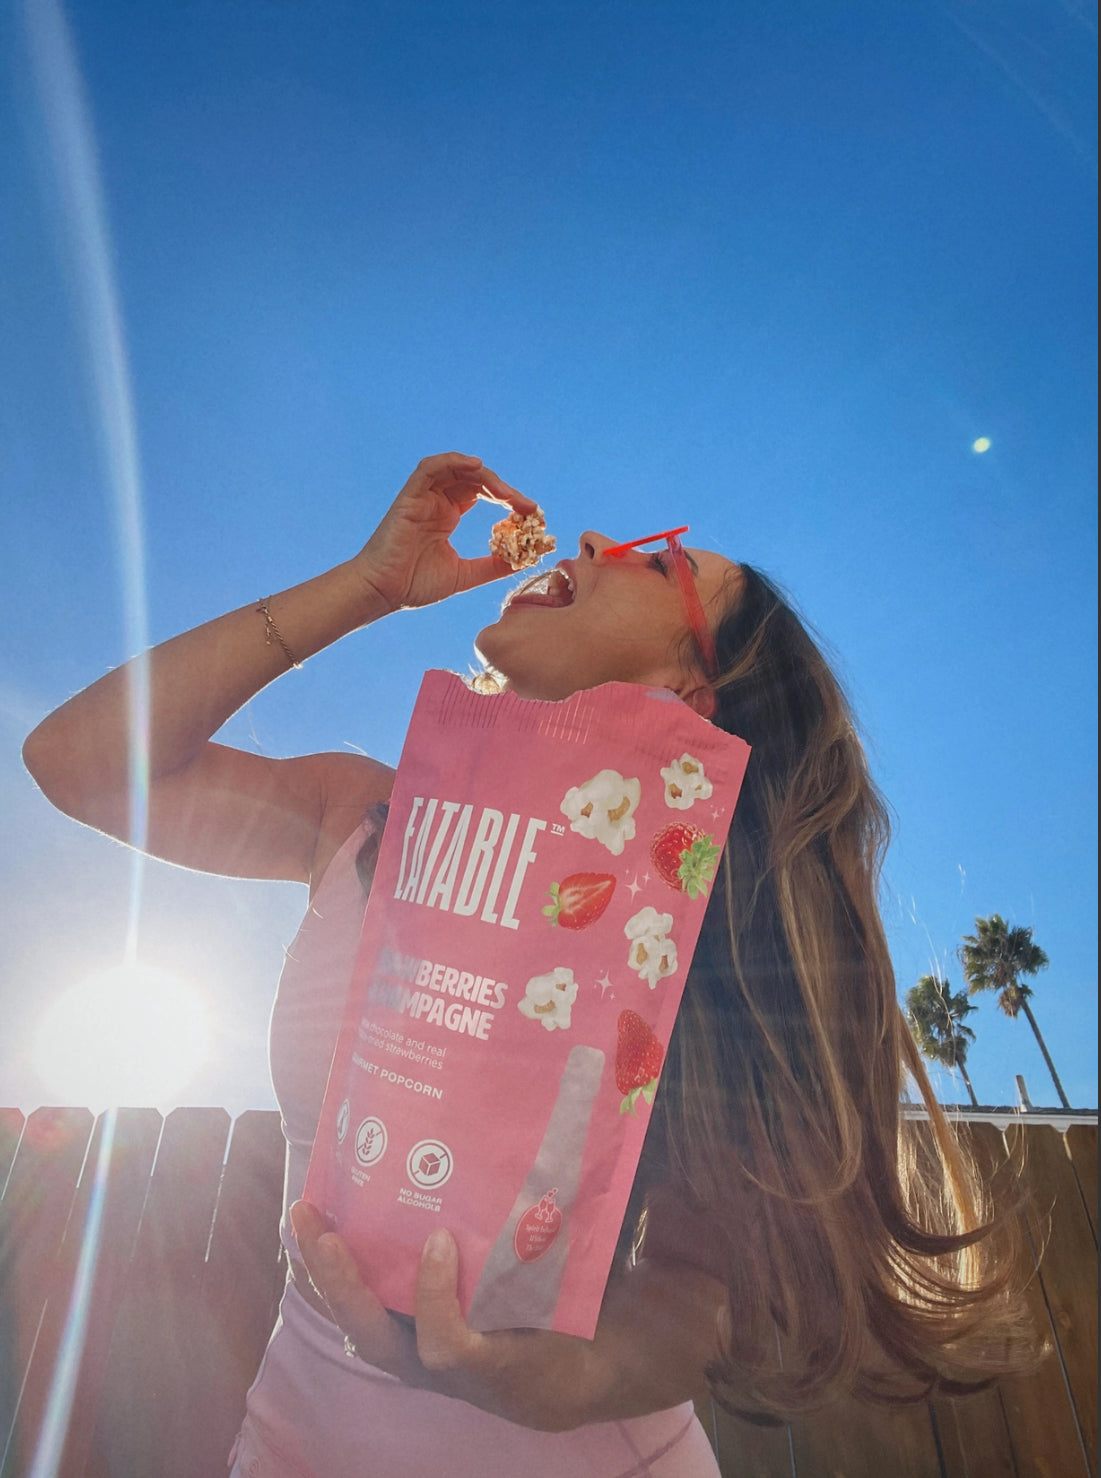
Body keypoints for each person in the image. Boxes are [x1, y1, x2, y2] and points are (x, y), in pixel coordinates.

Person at [23, 453, 1029, 1477]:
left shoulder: (699, 922)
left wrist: (548, 1383)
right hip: (289, 1444)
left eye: (659, 561)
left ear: (691, 689)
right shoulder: (365, 815)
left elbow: (698, 1291)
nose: (593, 540)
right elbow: (77, 762)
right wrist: (368, 585)